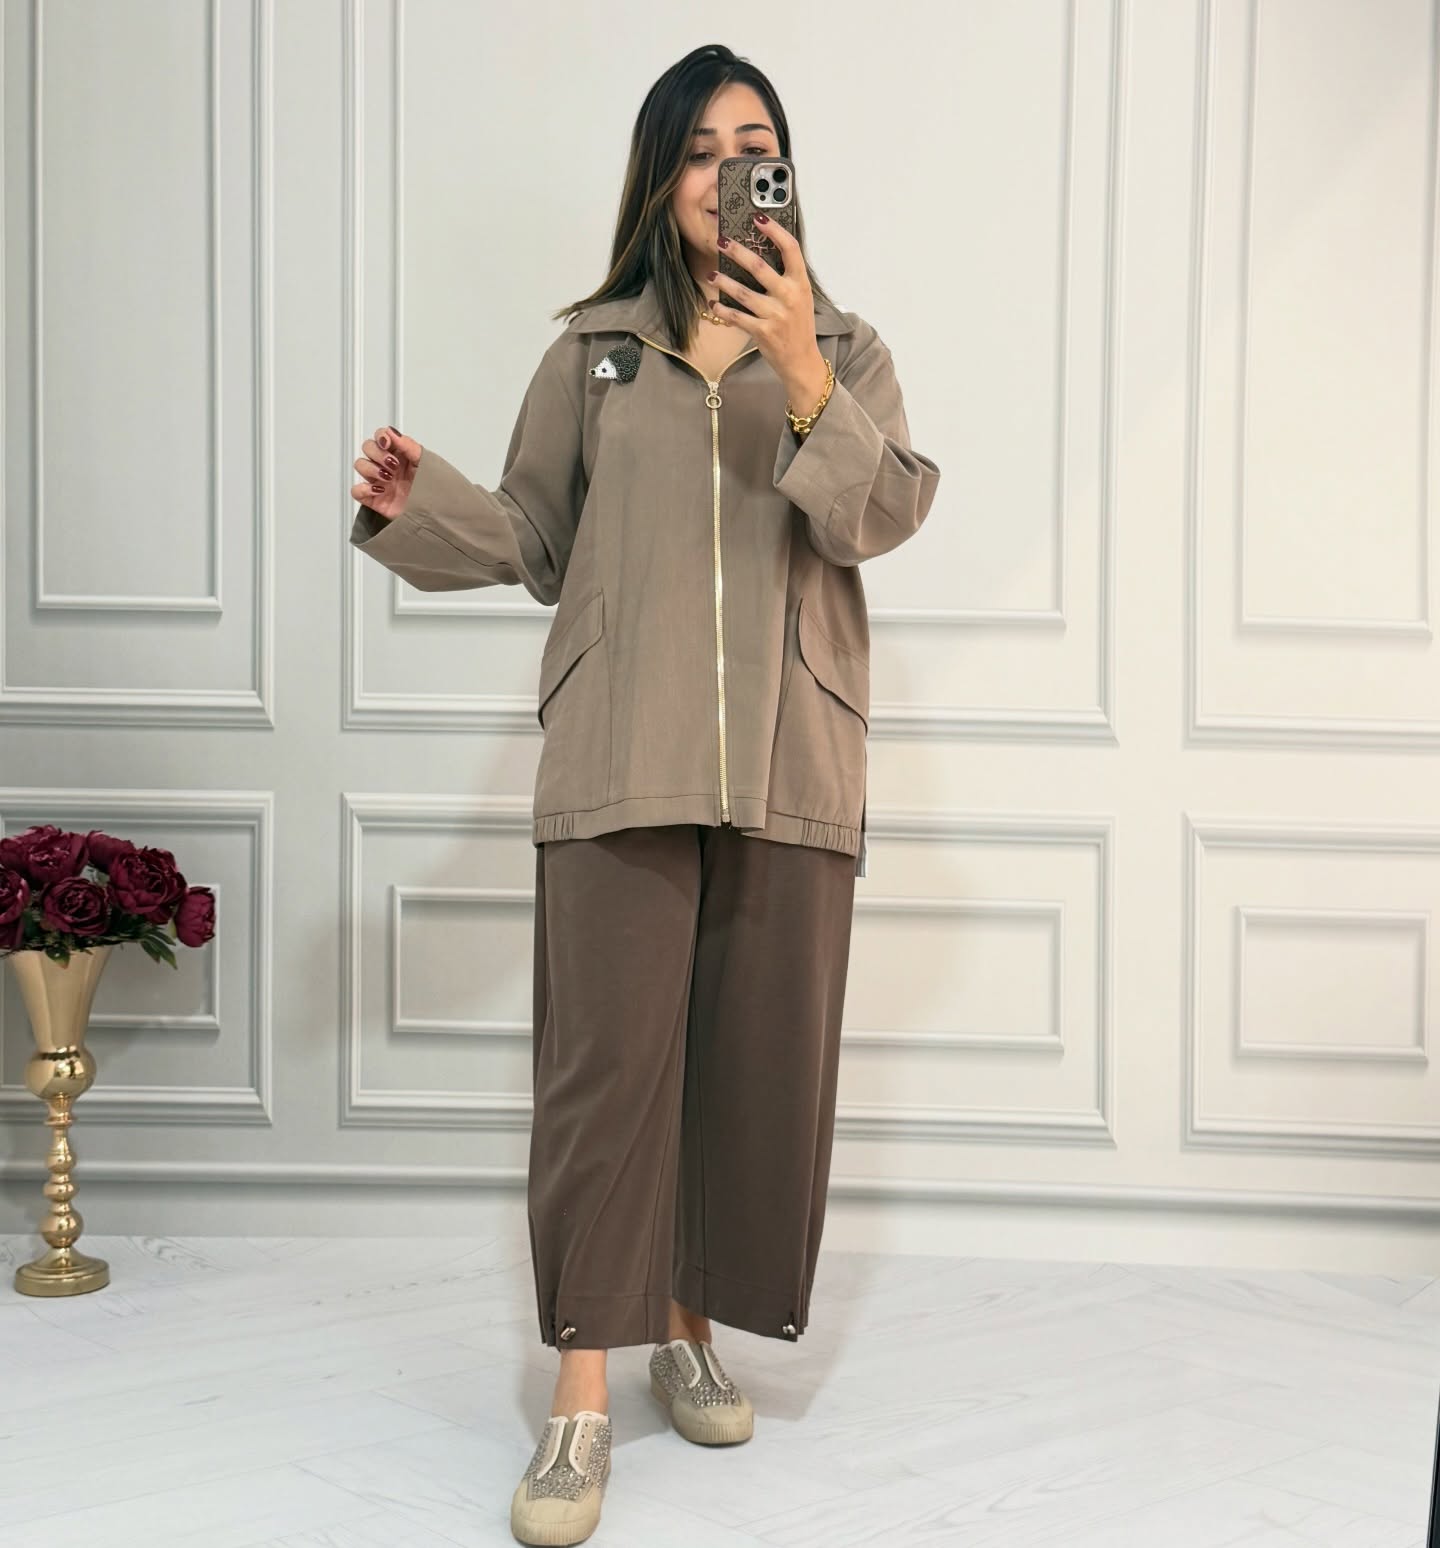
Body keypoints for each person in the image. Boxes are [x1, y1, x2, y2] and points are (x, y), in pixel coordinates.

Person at [348, 42, 941, 1548]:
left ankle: (692, 1325)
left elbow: (877, 517)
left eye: (754, 146)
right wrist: (416, 503)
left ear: (785, 175)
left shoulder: (848, 350)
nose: (728, 172)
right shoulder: (594, 357)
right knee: (606, 1078)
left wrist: (802, 367)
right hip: (621, 746)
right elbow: (537, 539)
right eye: (699, 150)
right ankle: (579, 1397)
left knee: (752, 1065)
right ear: (661, 179)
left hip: (791, 753)